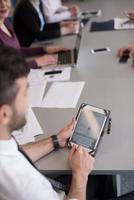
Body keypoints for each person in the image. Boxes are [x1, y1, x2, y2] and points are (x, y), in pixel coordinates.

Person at [0, 44, 95, 200]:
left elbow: (16, 154)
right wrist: (81, 175)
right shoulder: (25, 186)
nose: (28, 99)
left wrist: (55, 140)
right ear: (4, 114)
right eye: (25, 94)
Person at [0, 0, 70, 69]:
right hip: (14, 76)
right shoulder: (23, 7)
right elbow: (5, 70)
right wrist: (36, 62)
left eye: (5, 0)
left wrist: (44, 50)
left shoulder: (5, 22)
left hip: (21, 70)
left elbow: (17, 51)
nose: (3, 5)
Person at [13, 0, 79, 47]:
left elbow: (42, 26)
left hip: (36, 42)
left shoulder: (38, 2)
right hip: (29, 47)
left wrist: (62, 24)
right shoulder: (24, 7)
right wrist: (67, 30)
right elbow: (39, 35)